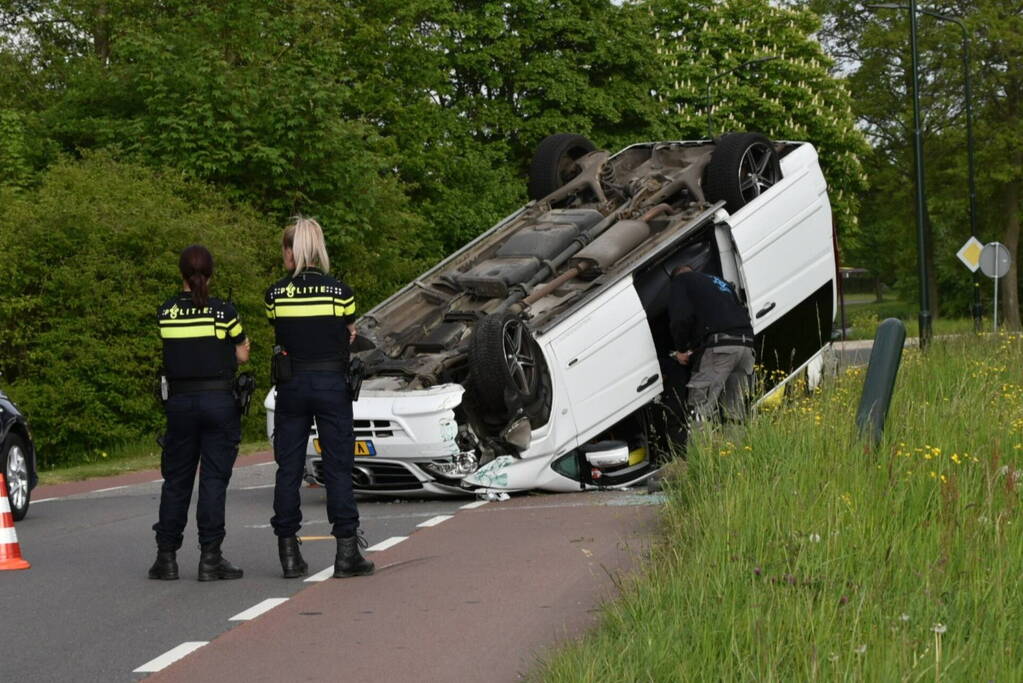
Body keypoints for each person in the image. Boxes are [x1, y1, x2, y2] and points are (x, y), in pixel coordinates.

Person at [265, 217, 373, 579]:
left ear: (293, 251)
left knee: (289, 468)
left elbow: (281, 328)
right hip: (330, 384)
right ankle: (346, 552)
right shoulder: (340, 293)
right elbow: (348, 330)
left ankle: (289, 554)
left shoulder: (275, 295)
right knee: (339, 466)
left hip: (292, 385)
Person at [150, 245, 250, 581]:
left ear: (181, 274)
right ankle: (210, 558)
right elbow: (242, 354)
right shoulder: (224, 312)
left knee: (176, 481)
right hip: (219, 403)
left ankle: (166, 558)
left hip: (179, 404)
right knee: (213, 481)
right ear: (212, 274)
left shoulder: (166, 312)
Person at [668, 265, 755, 425]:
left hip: (721, 349)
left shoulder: (681, 281)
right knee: (735, 413)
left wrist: (681, 349)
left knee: (699, 410)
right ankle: (736, 448)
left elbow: (680, 318)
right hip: (746, 346)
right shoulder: (720, 283)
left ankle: (700, 450)